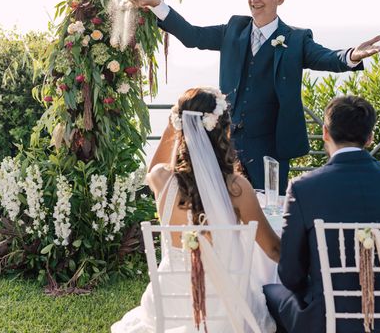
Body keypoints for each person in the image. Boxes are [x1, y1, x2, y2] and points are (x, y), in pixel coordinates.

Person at [125, 0, 380, 194]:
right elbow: (193, 36)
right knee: (224, 203)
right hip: (225, 140)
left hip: (270, 145)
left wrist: (351, 55)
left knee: (270, 207)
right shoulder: (233, 29)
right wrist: (156, 3)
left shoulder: (295, 38)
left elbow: (326, 57)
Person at [112, 87, 280, 332]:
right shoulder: (237, 188)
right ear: (224, 129)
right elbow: (273, 249)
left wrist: (173, 127)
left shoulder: (161, 179)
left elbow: (153, 168)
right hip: (226, 312)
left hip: (170, 307)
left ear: (180, 126)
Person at [263, 95, 380, 333]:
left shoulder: (303, 187)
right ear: (369, 138)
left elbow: (290, 274)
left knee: (268, 293)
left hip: (326, 319)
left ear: (325, 133)